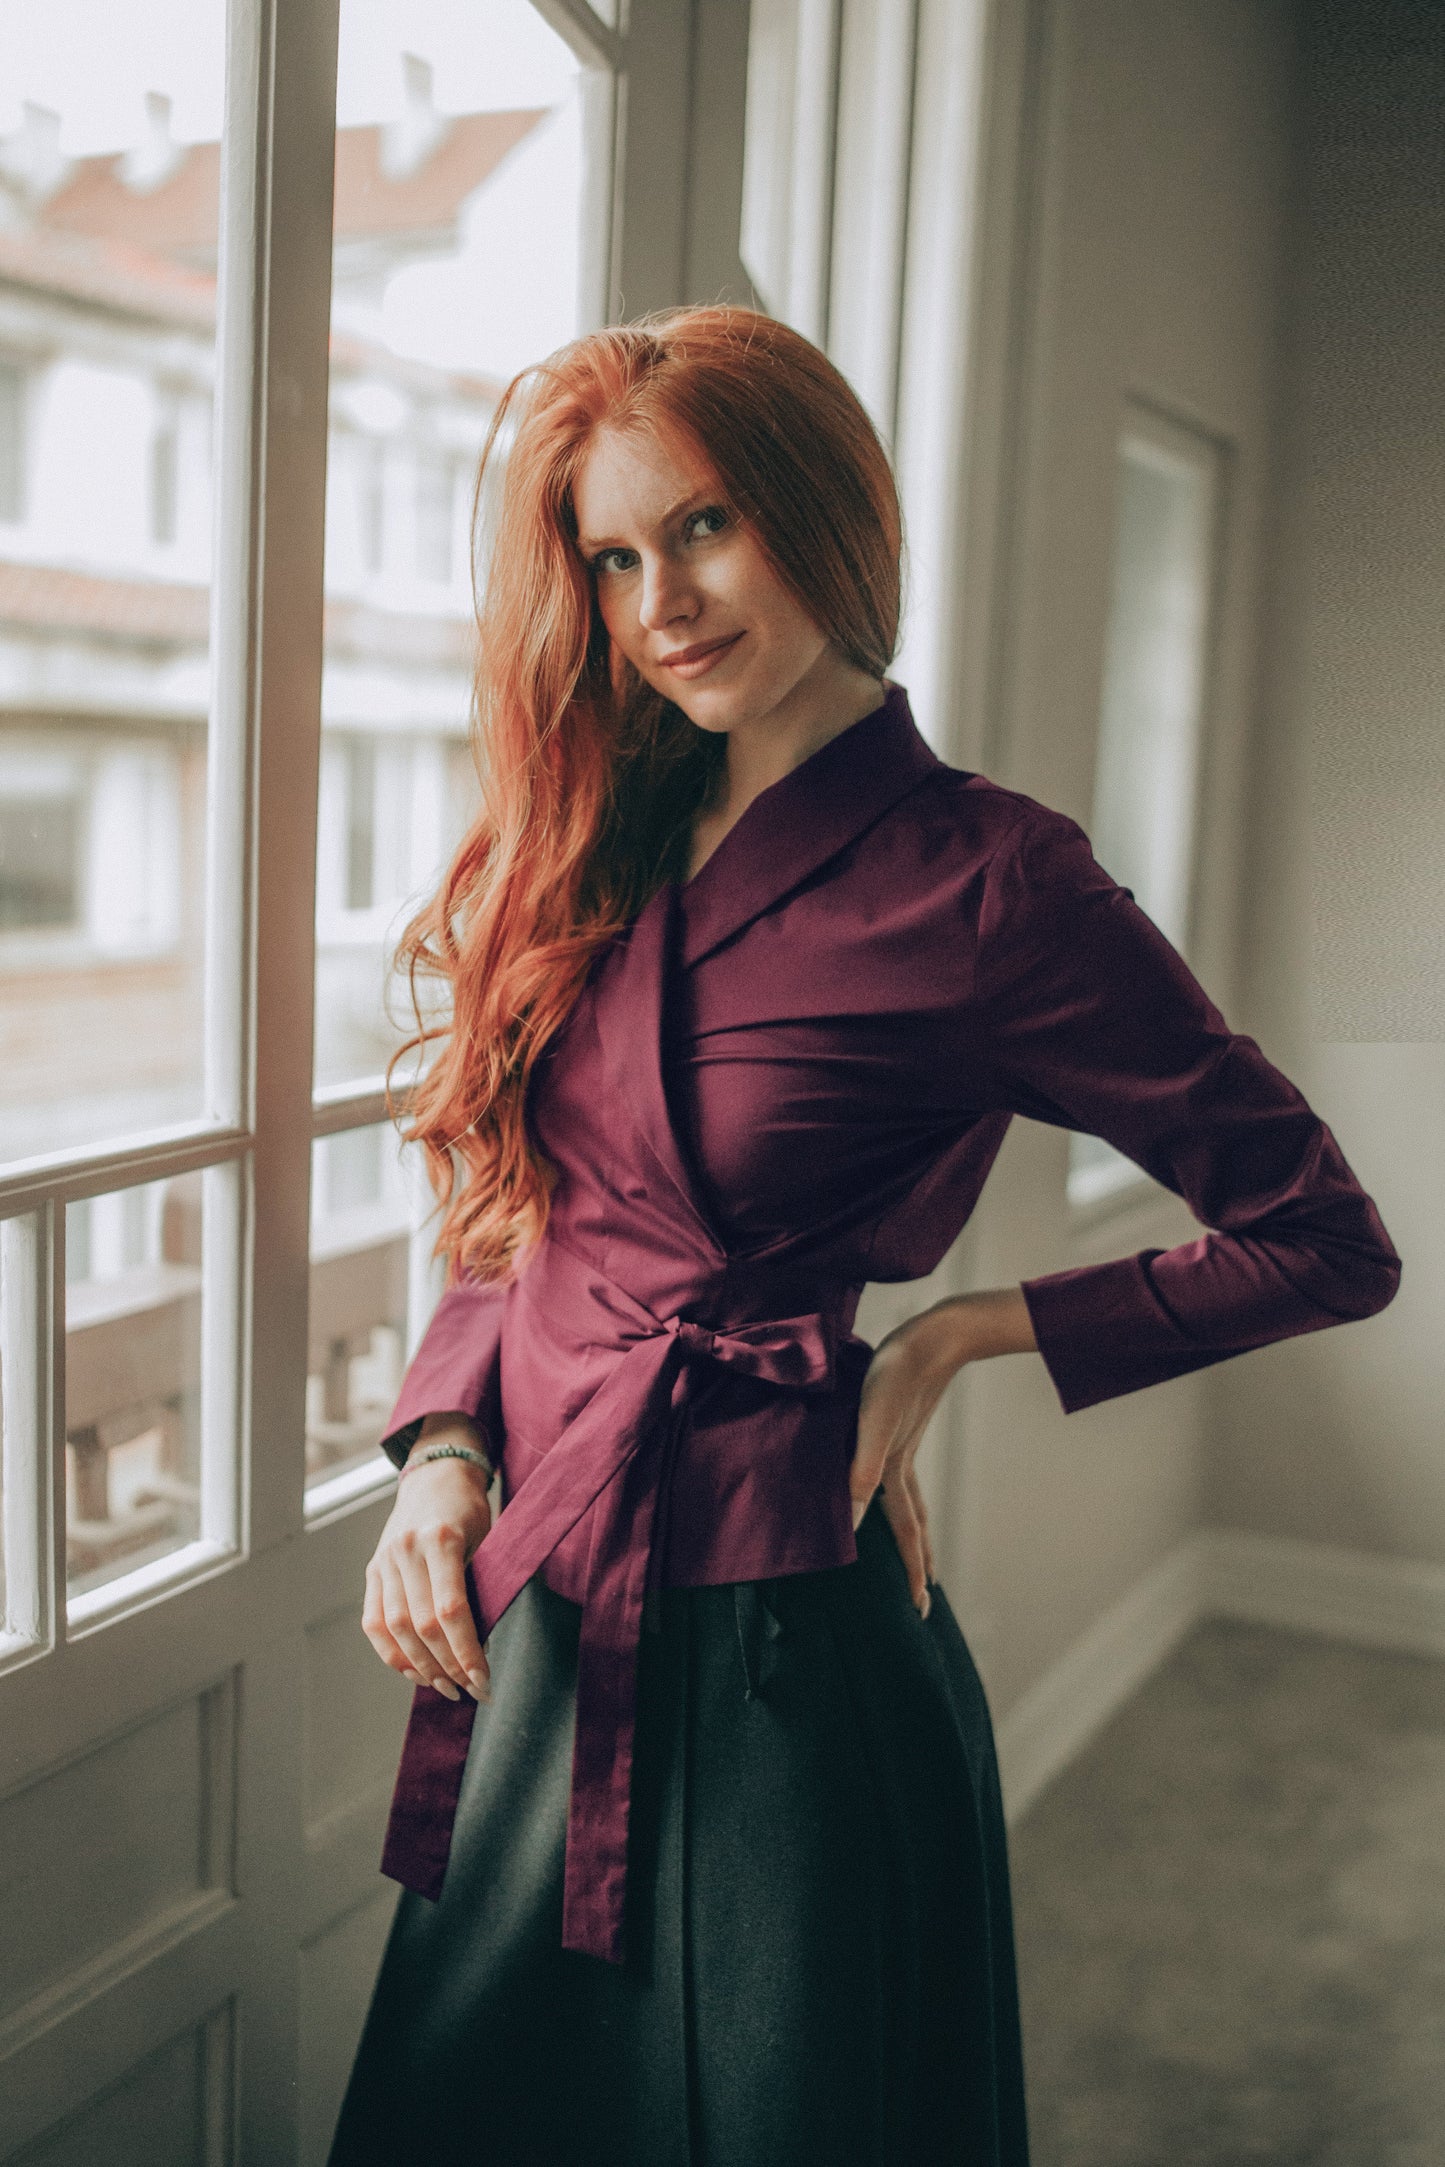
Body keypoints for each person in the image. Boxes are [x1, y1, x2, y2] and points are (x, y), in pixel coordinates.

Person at [326, 305, 1400, 2167]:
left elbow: (1321, 1235)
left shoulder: (994, 881)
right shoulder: (597, 831)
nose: (662, 602)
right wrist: (440, 1454)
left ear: (824, 512)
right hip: (538, 1618)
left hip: (781, 1665)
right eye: (613, 556)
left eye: (706, 525)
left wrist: (957, 1336)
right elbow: (521, 1200)